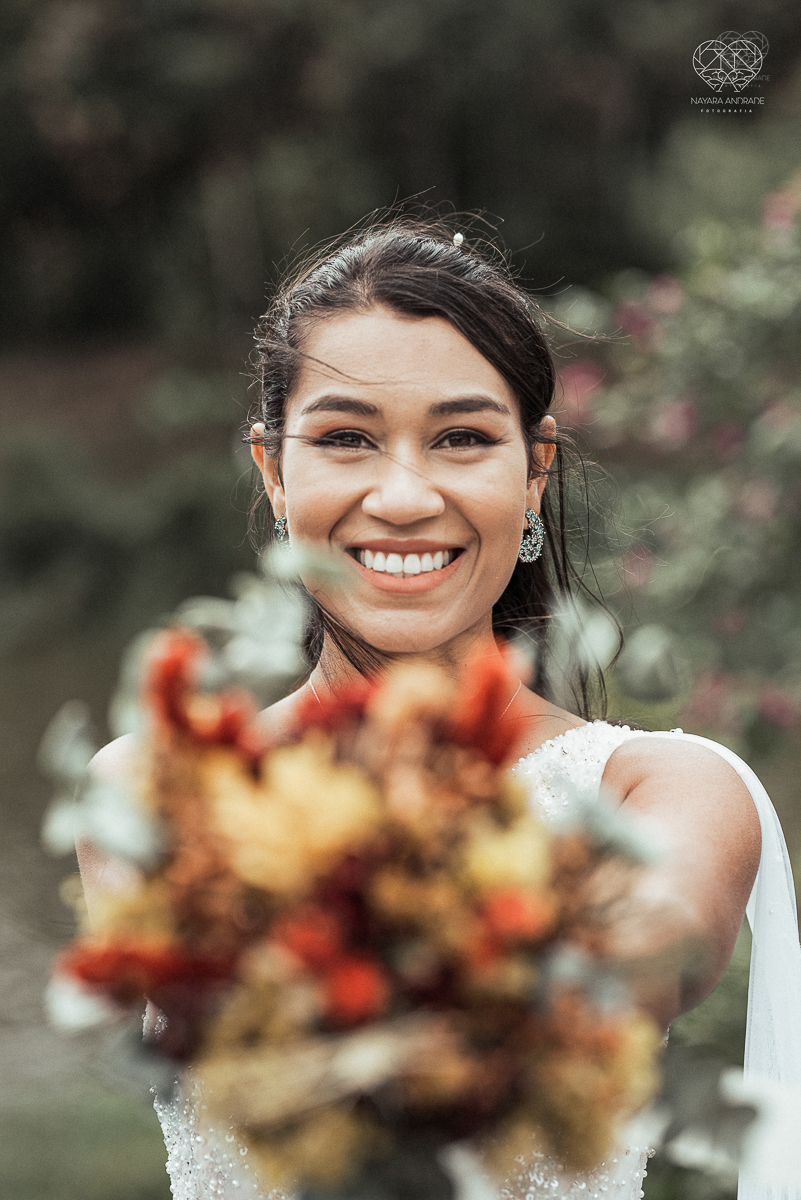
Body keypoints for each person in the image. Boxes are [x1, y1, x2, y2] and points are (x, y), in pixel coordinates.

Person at [79, 219, 801, 1200]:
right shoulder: (149, 786)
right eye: (346, 438)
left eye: (462, 437)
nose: (405, 496)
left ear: (535, 471)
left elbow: (651, 948)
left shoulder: (660, 789)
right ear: (274, 473)